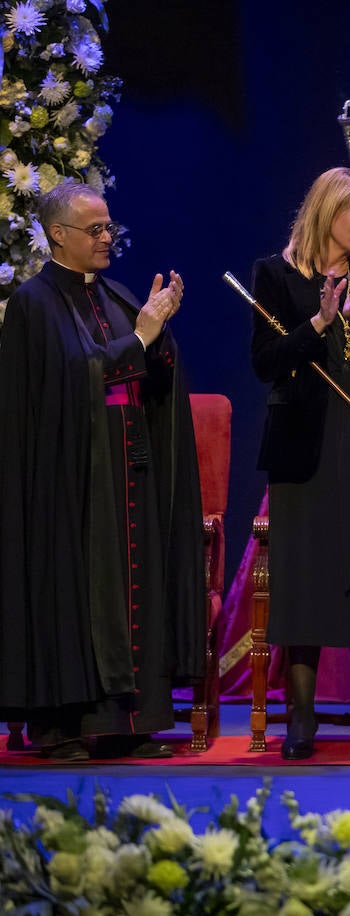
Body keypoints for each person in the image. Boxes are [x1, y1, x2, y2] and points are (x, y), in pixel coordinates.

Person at [0, 181, 202, 761]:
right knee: (78, 598)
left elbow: (148, 371)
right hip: (69, 482)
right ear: (58, 235)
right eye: (95, 229)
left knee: (133, 591)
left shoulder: (113, 293)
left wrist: (160, 339)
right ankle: (63, 726)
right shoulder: (33, 305)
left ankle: (130, 723)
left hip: (127, 473)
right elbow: (73, 378)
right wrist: (141, 335)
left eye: (110, 227)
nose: (108, 237)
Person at [250, 167, 350, 761]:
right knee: (305, 581)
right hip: (305, 448)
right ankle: (300, 718)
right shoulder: (275, 275)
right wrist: (320, 320)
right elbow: (266, 362)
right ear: (328, 211)